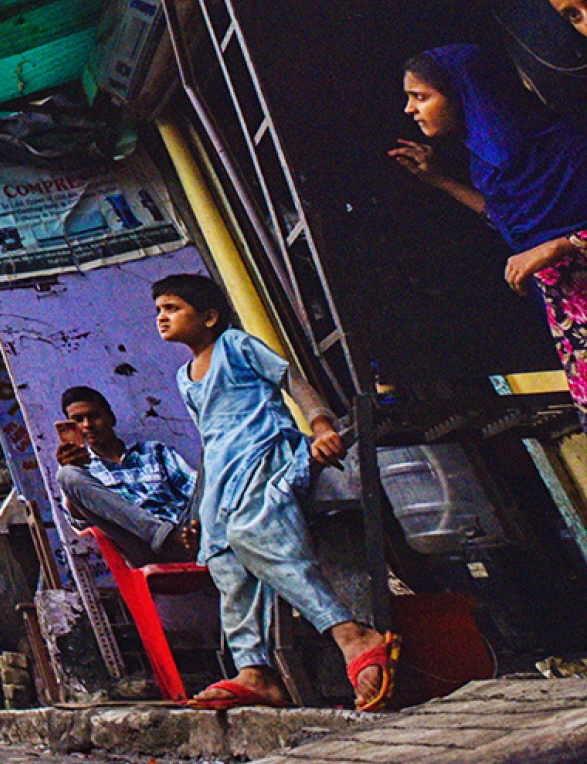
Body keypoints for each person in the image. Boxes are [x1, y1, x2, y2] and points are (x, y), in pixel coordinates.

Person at [153, 273, 399, 711]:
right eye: (159, 310)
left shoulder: (237, 346)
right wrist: (197, 507)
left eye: (172, 308)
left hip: (265, 456)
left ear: (209, 317)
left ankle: (349, 633)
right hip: (223, 478)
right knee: (223, 561)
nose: (161, 317)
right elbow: (209, 443)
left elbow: (292, 382)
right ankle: (256, 672)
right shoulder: (183, 377)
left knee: (254, 532)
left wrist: (321, 425)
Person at [396, 45, 587, 428]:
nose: (410, 110)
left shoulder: (567, 147)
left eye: (421, 96)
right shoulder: (490, 167)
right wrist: (441, 181)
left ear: (467, 92)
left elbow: (542, 239)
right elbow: (508, 221)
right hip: (571, 320)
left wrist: (560, 246)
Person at [54, 384, 201, 564]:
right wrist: (72, 468)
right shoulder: (83, 472)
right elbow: (79, 522)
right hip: (143, 546)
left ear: (111, 418)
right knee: (66, 475)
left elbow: (196, 488)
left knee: (212, 458)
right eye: (78, 420)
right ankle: (167, 538)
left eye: (94, 416)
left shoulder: (153, 451)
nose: (87, 425)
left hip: (189, 533)